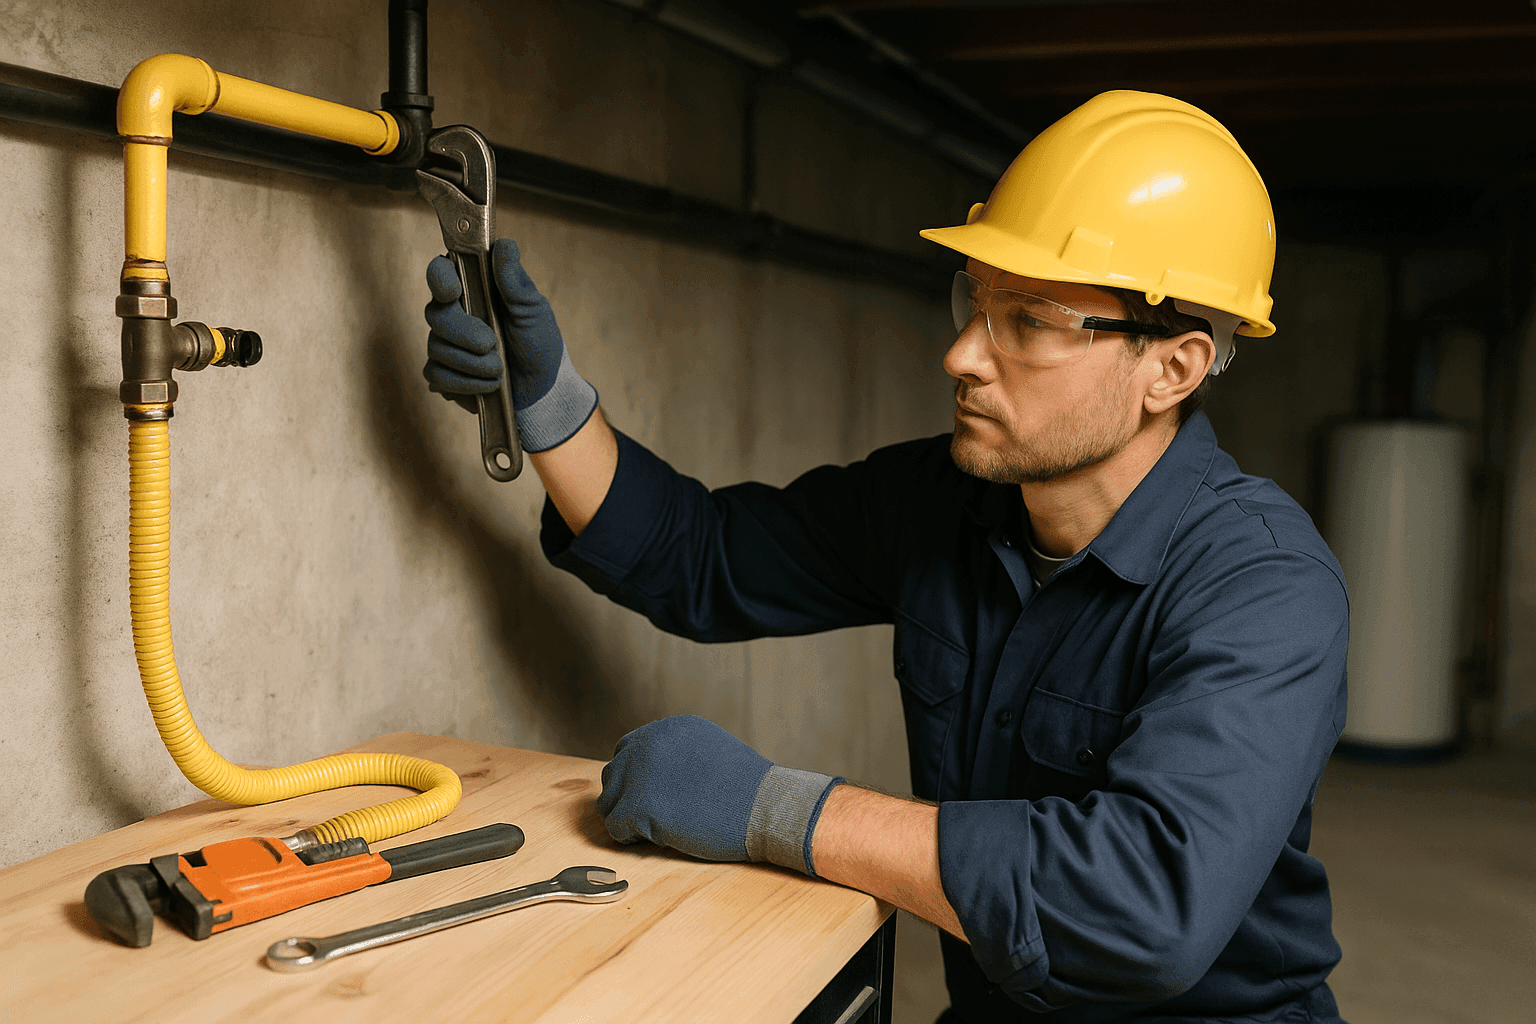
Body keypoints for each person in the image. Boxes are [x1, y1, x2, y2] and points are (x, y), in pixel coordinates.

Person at [421, 91, 1349, 1023]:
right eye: (974, 301)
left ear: (1173, 368)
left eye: (1028, 320)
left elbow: (1144, 905)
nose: (961, 355)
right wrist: (545, 403)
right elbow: (701, 556)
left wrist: (775, 810)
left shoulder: (1263, 586)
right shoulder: (944, 502)